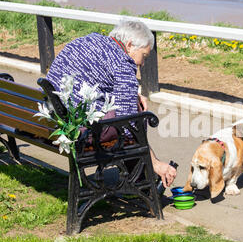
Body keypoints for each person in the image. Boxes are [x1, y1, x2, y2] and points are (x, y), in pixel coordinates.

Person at [46, 20, 177, 188]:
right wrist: (155, 162)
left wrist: (132, 94)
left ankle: (140, 175)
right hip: (79, 131)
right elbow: (129, 123)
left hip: (51, 120)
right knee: (137, 117)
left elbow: (95, 80)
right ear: (129, 45)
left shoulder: (87, 40)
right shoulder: (123, 62)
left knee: (130, 109)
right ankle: (140, 180)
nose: (142, 64)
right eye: (144, 56)